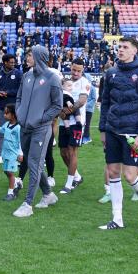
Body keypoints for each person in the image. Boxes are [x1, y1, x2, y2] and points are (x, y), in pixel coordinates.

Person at [98, 37, 138, 230]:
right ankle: (117, 219)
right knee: (113, 172)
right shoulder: (111, 73)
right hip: (112, 131)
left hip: (132, 134)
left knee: (130, 176)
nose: (120, 50)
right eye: (119, 47)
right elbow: (105, 103)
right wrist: (103, 129)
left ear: (134, 51)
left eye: (125, 47)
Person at [12, 45, 62, 218]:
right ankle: (48, 194)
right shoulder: (26, 76)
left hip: (41, 129)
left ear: (40, 57)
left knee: (34, 163)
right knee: (32, 162)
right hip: (24, 127)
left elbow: (57, 105)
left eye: (30, 55)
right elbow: (19, 97)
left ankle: (28, 204)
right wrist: (19, 113)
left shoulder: (52, 78)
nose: (27, 58)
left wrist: (42, 119)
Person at [59, 61, 90, 194]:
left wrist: (68, 110)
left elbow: (82, 101)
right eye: (74, 70)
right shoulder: (65, 82)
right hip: (63, 122)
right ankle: (77, 176)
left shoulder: (84, 82)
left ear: (82, 70)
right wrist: (60, 111)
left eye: (79, 71)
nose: (76, 73)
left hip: (77, 123)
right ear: (71, 68)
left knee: (72, 151)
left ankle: (69, 184)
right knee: (63, 152)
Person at [0, 54, 22, 165]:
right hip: (1, 107)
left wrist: (7, 93)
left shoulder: (18, 74)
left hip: (15, 108)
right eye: (11, 62)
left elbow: (20, 90)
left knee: (17, 132)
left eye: (14, 62)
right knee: (0, 132)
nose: (13, 64)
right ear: (5, 62)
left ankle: (18, 154)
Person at [0, 104, 23, 202]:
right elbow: (1, 130)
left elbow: (20, 141)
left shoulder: (18, 128)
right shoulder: (7, 124)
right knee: (6, 171)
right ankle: (17, 182)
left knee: (10, 172)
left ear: (13, 115)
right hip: (5, 153)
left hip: (13, 154)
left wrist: (21, 153)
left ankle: (10, 193)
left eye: (6, 113)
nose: (4, 115)